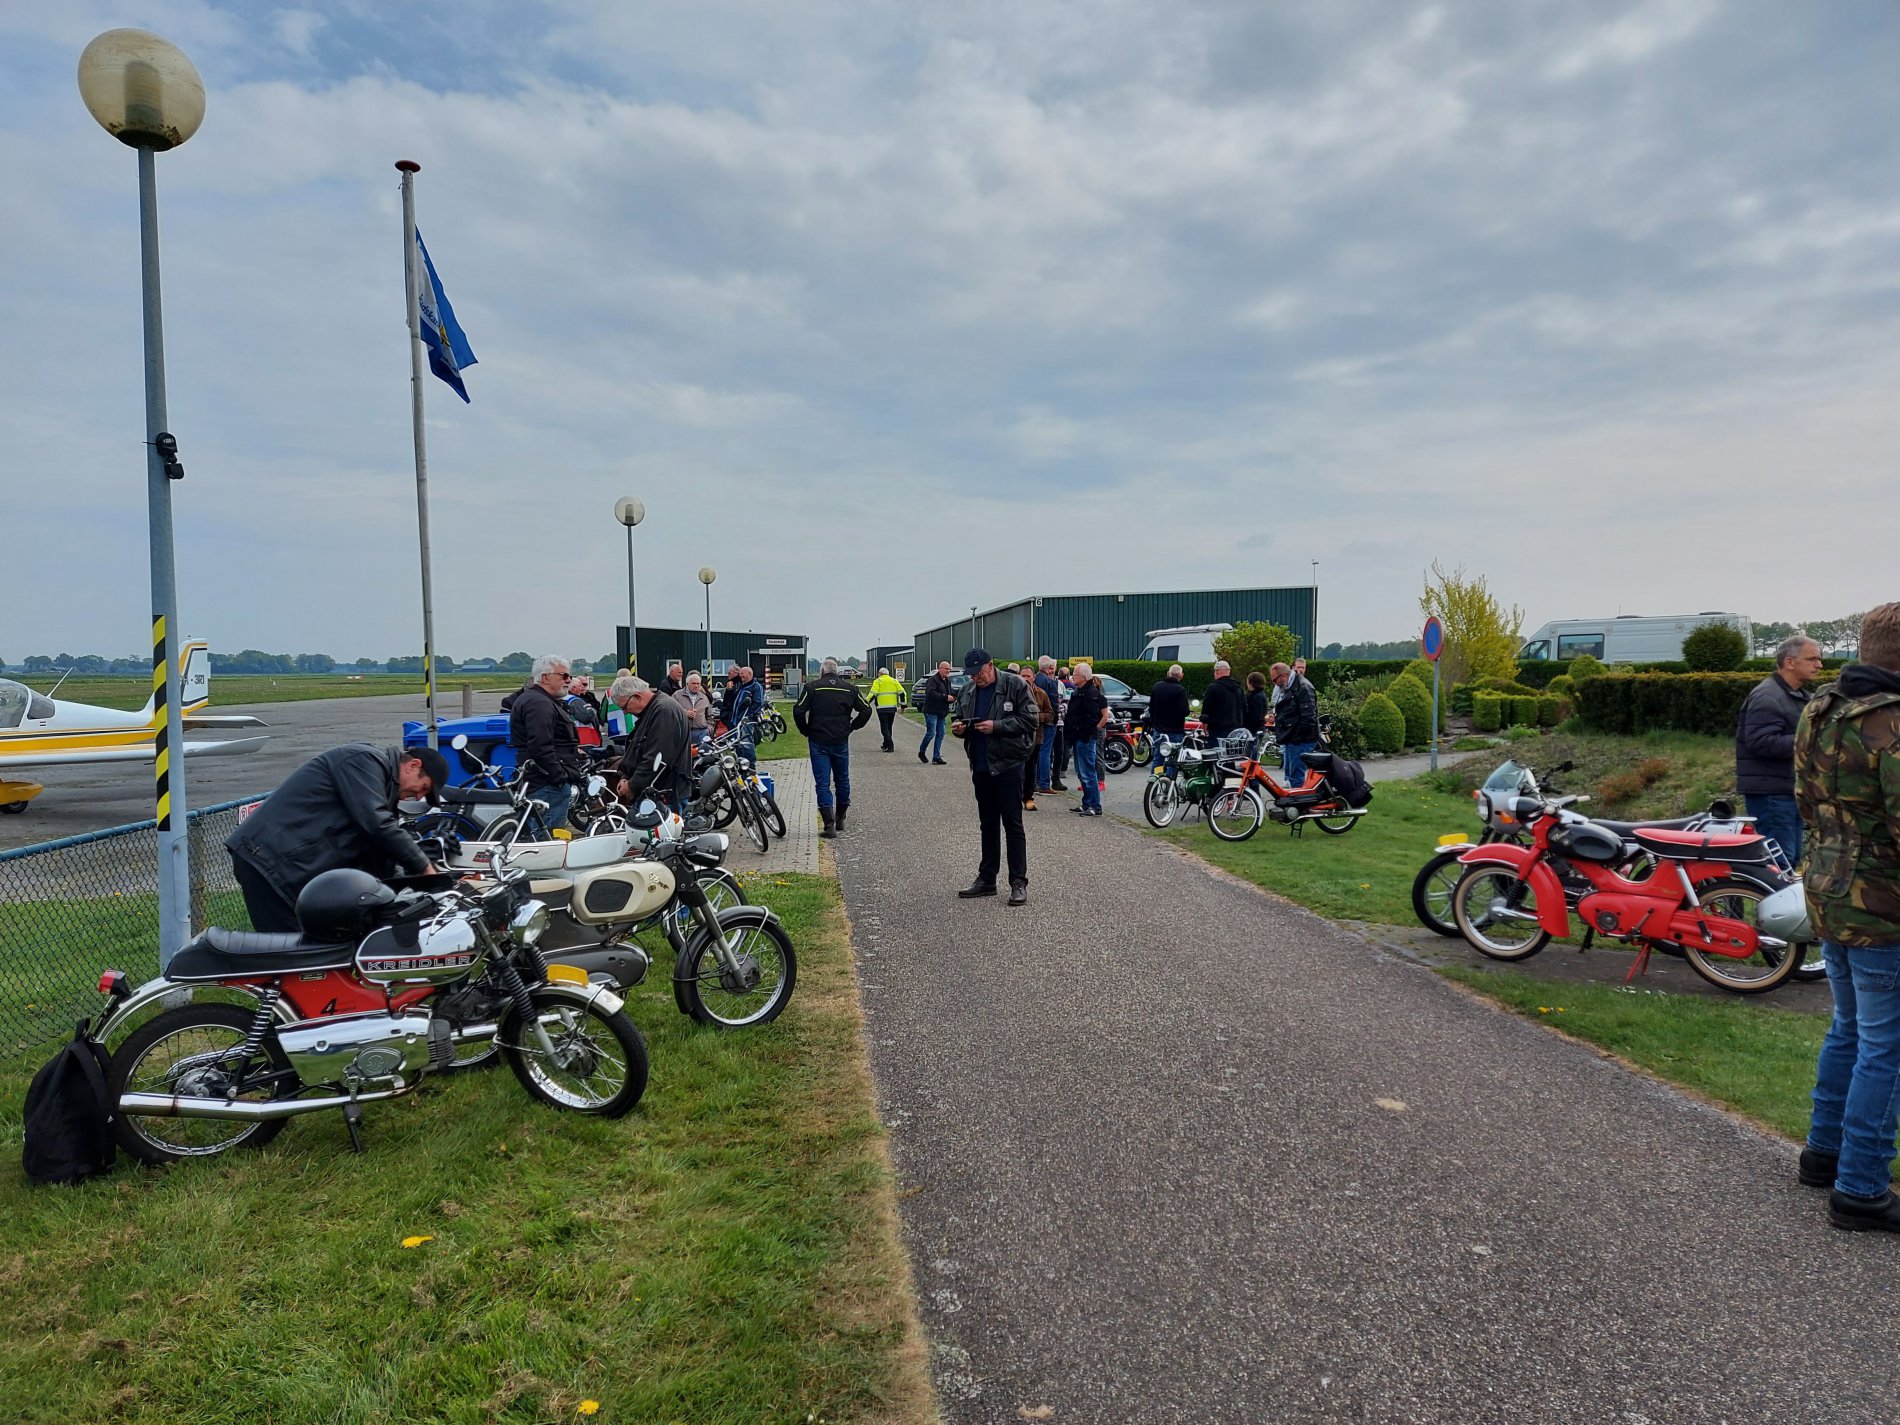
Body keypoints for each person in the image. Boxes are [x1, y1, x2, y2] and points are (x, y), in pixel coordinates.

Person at [1794, 600, 1900, 1232]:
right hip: (1885, 908)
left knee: (1849, 1030)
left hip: (1830, 892)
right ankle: (1860, 1189)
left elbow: (1805, 799)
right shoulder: (1890, 722)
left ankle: (1823, 1155)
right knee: (1884, 1046)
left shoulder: (1822, 709)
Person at [225, 742, 449, 933]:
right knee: (288, 951)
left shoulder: (381, 791)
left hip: (291, 866)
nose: (420, 796)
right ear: (413, 765)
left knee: (313, 949)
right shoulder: (363, 761)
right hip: (266, 858)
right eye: (424, 788)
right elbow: (378, 824)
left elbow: (381, 852)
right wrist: (425, 868)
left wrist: (413, 888)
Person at [952, 649, 1040, 904]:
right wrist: (959, 728)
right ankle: (987, 879)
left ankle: (1018, 882)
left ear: (991, 665)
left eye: (979, 672)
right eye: (971, 674)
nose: (975, 678)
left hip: (1008, 765)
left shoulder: (1015, 685)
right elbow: (959, 717)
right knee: (987, 824)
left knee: (1012, 824)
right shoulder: (968, 691)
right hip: (980, 766)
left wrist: (997, 726)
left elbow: (1031, 720)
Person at [1736, 634, 1824, 867]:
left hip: (1787, 790)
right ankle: (1768, 903)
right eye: (1812, 659)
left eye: (1819, 659)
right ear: (1789, 662)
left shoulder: (1794, 695)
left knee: (1790, 859)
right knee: (1779, 863)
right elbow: (1761, 741)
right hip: (1771, 794)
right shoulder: (1768, 696)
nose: (1819, 665)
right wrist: (1810, 740)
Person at [506, 654, 588, 829]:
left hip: (545, 781)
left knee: (546, 835)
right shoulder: (539, 703)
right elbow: (541, 745)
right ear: (545, 677)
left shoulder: (541, 700)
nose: (568, 680)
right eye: (564, 676)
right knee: (547, 840)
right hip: (546, 784)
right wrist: (559, 777)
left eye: (570, 676)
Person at [794, 657, 872, 838]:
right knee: (842, 779)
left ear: (822, 671)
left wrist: (805, 730)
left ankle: (829, 825)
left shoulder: (812, 687)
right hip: (840, 740)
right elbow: (866, 709)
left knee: (823, 783)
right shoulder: (849, 688)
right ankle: (841, 817)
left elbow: (798, 710)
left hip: (818, 740)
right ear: (837, 672)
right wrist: (852, 727)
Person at [610, 674, 691, 807]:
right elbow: (637, 748)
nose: (625, 712)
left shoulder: (664, 711)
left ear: (637, 696)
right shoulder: (652, 710)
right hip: (654, 791)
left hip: (664, 793)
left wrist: (632, 785)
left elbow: (657, 758)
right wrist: (625, 776)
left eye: (624, 707)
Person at [1063, 662, 1109, 817]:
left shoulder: (1091, 694)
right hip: (1077, 737)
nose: (1072, 677)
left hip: (1085, 738)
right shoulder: (1079, 691)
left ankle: (1095, 805)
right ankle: (1087, 803)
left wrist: (1091, 731)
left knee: (1088, 772)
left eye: (1074, 674)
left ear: (1083, 677)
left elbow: (1094, 717)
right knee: (1081, 772)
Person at [1270, 661, 1321, 783]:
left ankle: (1298, 800)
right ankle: (1295, 797)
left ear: (1283, 676)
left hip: (1300, 740)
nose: (1275, 684)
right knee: (1292, 774)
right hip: (1293, 737)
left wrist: (1296, 737)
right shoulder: (1291, 685)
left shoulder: (1302, 687)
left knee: (1296, 776)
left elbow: (1308, 717)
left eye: (1274, 680)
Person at [1021, 671, 1055, 810]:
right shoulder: (1012, 692)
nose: (1025, 678)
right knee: (1016, 769)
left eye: (1028, 676)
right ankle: (1014, 797)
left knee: (1030, 769)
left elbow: (1050, 714)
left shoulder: (1041, 694)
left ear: (1034, 678)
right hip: (1016, 737)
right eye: (1023, 675)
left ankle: (1028, 798)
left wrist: (1036, 717)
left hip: (1035, 737)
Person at [1147, 663, 1190, 768]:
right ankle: (1169, 781)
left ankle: (1155, 780)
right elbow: (1184, 711)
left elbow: (1151, 708)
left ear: (1168, 673)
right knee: (1173, 760)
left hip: (1159, 730)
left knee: (1158, 757)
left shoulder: (1157, 687)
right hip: (1175, 731)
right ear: (1181, 675)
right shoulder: (1180, 690)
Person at [720, 664, 767, 759]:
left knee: (746, 744)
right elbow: (731, 702)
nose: (740, 676)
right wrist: (729, 691)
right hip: (736, 721)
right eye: (740, 674)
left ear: (749, 674)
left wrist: (747, 717)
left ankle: (750, 766)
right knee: (738, 744)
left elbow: (758, 704)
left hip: (746, 722)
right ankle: (741, 764)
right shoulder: (741, 687)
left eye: (742, 674)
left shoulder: (756, 687)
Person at [918, 661, 954, 764]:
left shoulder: (947, 681)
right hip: (931, 710)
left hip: (942, 712)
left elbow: (949, 693)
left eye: (949, 669)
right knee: (931, 733)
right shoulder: (932, 680)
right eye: (946, 669)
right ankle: (922, 751)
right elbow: (931, 693)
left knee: (941, 733)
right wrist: (945, 697)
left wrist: (953, 697)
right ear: (940, 668)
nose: (948, 671)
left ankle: (936, 756)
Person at [869, 666, 906, 752]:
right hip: (892, 708)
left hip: (881, 708)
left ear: (880, 674)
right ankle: (885, 744)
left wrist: (865, 703)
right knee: (889, 727)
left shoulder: (878, 681)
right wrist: (903, 706)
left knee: (884, 727)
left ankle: (890, 745)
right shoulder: (894, 681)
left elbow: (873, 694)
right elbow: (902, 693)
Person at [673, 671, 714, 747]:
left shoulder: (704, 697)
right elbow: (671, 712)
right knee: (685, 757)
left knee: (703, 756)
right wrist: (685, 713)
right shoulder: (677, 695)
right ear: (687, 684)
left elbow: (710, 716)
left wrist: (708, 729)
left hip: (701, 732)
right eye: (693, 683)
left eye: (698, 684)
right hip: (683, 732)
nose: (696, 686)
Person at [1244, 671, 1271, 755]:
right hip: (1257, 728)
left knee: (1251, 752)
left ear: (1251, 682)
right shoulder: (1259, 695)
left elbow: (1255, 716)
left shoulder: (1256, 697)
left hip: (1253, 729)